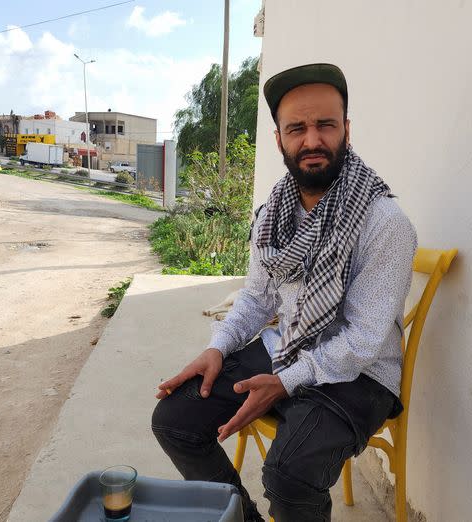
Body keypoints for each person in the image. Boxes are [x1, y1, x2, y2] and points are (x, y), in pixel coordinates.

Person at [151, 63, 418, 522]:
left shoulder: (384, 224)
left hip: (361, 374)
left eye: (325, 125)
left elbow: (365, 339)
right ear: (279, 138)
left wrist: (285, 381)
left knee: (289, 473)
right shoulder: (274, 215)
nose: (312, 141)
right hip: (289, 349)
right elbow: (258, 297)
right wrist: (217, 348)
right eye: (297, 128)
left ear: (346, 131)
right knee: (175, 420)